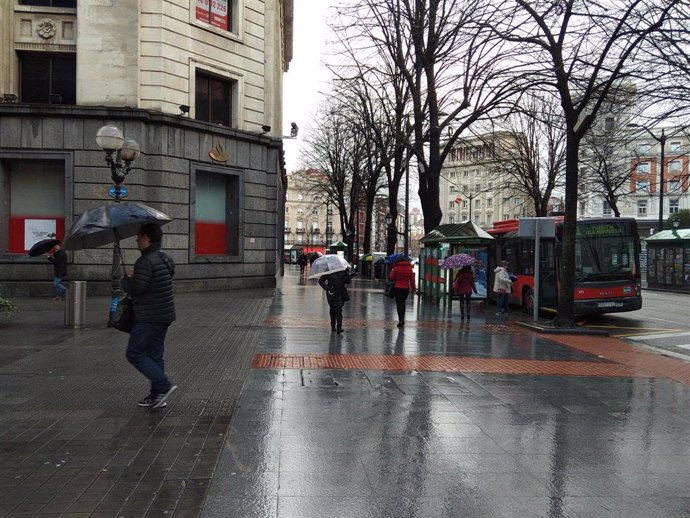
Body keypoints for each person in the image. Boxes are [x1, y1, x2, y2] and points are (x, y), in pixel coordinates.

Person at [121, 223, 177, 410]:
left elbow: (139, 289)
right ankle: (157, 396)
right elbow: (158, 282)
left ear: (146, 238)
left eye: (138, 237)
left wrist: (127, 281)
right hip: (165, 314)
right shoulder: (164, 258)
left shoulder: (145, 261)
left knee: (134, 353)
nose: (136, 241)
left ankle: (164, 385)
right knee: (155, 354)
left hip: (150, 315)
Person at [318, 267, 352, 333]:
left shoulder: (343, 270)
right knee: (332, 309)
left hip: (340, 293)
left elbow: (348, 281)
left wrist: (347, 275)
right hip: (332, 293)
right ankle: (333, 325)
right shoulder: (329, 270)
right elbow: (321, 281)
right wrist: (327, 288)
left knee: (339, 309)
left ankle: (339, 327)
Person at [389, 256, 416, 327]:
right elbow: (412, 280)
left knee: (399, 303)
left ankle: (400, 320)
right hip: (406, 288)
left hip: (397, 287)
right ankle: (403, 319)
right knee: (403, 303)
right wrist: (413, 289)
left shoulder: (396, 268)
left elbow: (391, 277)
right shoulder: (409, 268)